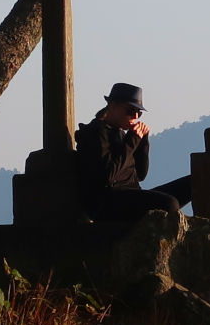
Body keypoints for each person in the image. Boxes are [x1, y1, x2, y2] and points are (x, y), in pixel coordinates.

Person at [75, 83, 193, 222]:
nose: (136, 116)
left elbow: (140, 175)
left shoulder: (119, 133)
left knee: (196, 182)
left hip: (133, 195)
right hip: (109, 203)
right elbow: (107, 175)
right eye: (131, 111)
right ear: (113, 106)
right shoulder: (95, 133)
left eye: (139, 112)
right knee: (169, 204)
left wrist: (143, 141)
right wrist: (132, 141)